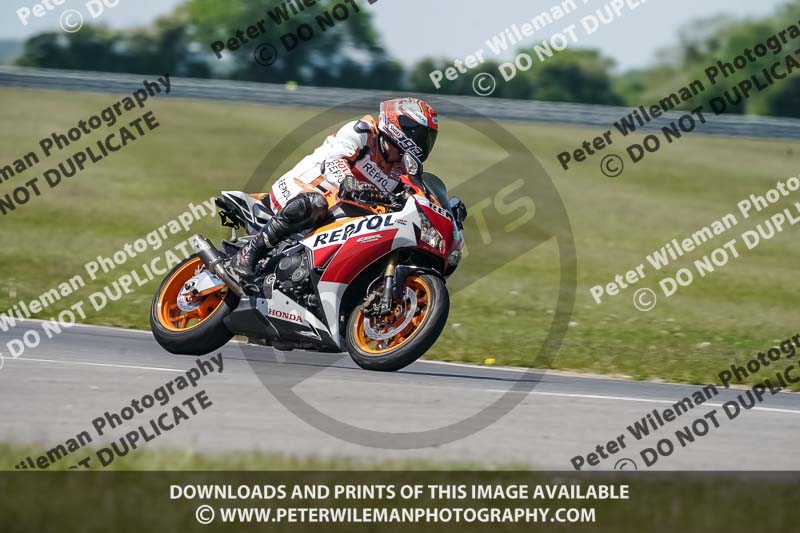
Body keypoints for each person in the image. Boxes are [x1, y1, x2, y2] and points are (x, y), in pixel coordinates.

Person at [225, 97, 439, 290]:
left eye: (429, 138)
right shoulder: (363, 132)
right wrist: (349, 181)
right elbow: (334, 161)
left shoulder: (402, 169)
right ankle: (246, 256)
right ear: (399, 125)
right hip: (302, 188)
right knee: (314, 203)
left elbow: (415, 194)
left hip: (339, 210)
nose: (423, 143)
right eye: (420, 135)